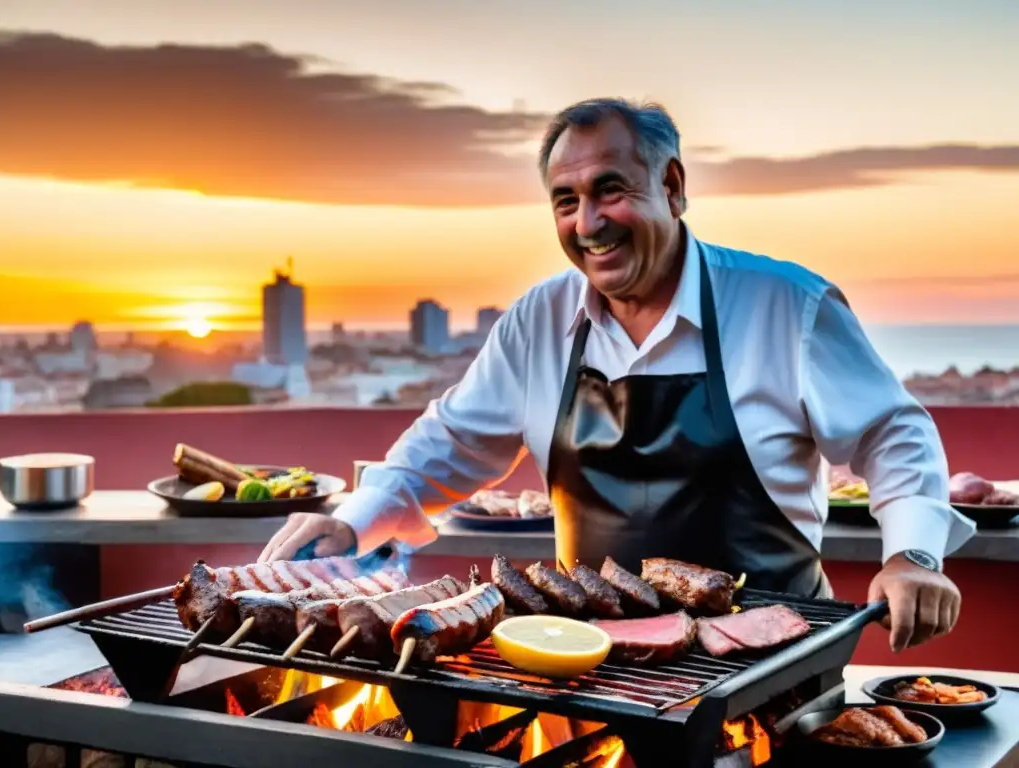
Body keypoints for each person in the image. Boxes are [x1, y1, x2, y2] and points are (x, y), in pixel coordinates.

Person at [261, 98, 975, 652]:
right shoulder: (538, 321)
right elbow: (444, 445)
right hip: (592, 660)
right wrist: (349, 523)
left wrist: (912, 555)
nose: (589, 223)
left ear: (672, 186)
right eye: (565, 201)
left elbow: (893, 433)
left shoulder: (786, 305)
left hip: (770, 659)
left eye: (610, 190)